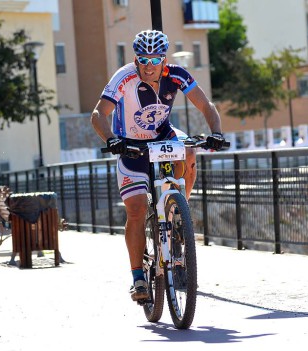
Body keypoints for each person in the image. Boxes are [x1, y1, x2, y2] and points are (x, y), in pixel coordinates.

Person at [90, 29, 226, 302]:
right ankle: (138, 277)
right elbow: (98, 114)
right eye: (144, 60)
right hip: (130, 146)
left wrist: (217, 132)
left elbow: (205, 104)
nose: (149, 66)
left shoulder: (176, 74)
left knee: (188, 151)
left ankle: (178, 211)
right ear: (136, 59)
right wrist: (112, 140)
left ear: (164, 60)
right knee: (137, 209)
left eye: (156, 60)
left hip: (162, 137)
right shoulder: (124, 77)